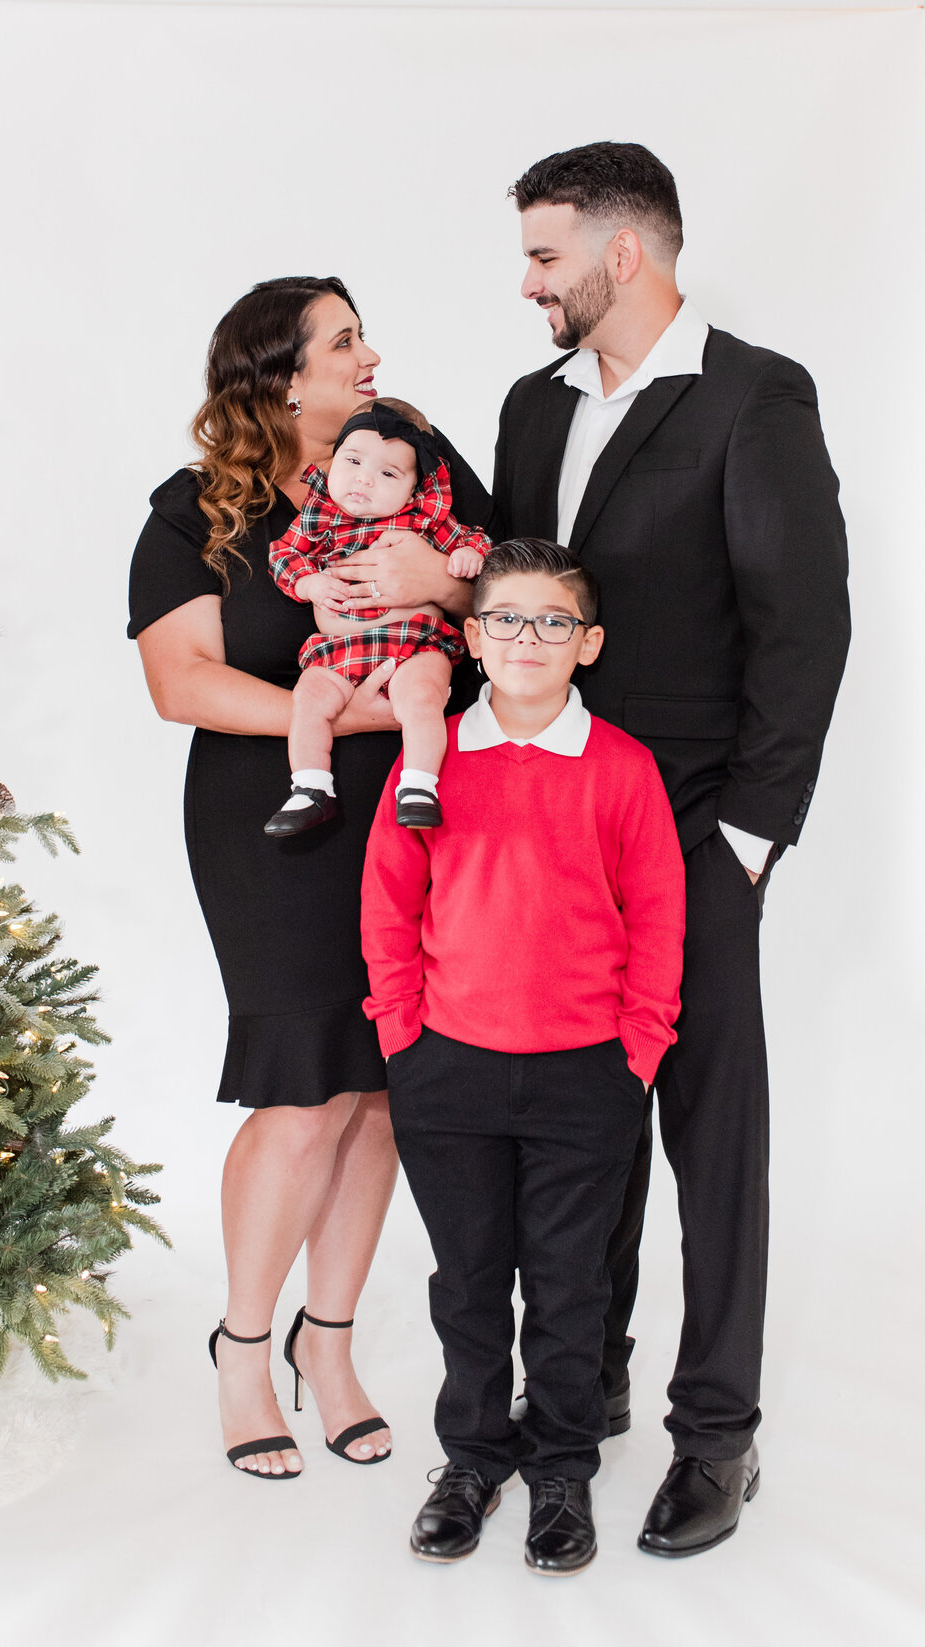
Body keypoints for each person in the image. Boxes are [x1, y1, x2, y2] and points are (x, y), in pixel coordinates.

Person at [495, 142, 850, 1555]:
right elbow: (524, 603)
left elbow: (802, 625)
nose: (527, 283)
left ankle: (720, 1434)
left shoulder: (757, 397)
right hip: (557, 829)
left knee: (712, 1136)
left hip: (699, 835)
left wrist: (751, 841)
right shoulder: (534, 407)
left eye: (544, 256)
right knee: (584, 1126)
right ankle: (588, 1379)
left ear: (623, 253)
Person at [127, 276, 496, 1479]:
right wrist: (327, 724)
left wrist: (426, 585)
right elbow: (180, 681)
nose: (371, 353)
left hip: (418, 805)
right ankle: (242, 1348)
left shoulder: (419, 463)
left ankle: (324, 1345)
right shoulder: (197, 512)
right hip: (274, 817)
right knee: (300, 1086)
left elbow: (503, 594)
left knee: (385, 1082)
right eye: (345, 341)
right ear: (281, 375)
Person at [361, 538, 685, 1573]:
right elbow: (388, 902)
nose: (529, 639)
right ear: (470, 638)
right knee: (465, 1282)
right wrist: (402, 1035)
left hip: (585, 1074)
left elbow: (660, 921)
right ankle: (470, 1460)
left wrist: (636, 1051)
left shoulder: (624, 769)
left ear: (587, 644)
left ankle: (560, 1468)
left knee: (567, 1285)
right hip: (446, 1069)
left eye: (553, 622)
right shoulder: (435, 758)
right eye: (506, 619)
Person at [265, 397, 490, 836]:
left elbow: (477, 540)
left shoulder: (422, 520)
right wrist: (309, 584)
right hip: (339, 652)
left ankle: (421, 785)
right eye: (352, 461)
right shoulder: (320, 515)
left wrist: (466, 555)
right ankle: (310, 787)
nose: (363, 479)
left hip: (414, 645)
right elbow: (284, 555)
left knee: (423, 698)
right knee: (308, 700)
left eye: (388, 473)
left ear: (414, 488)